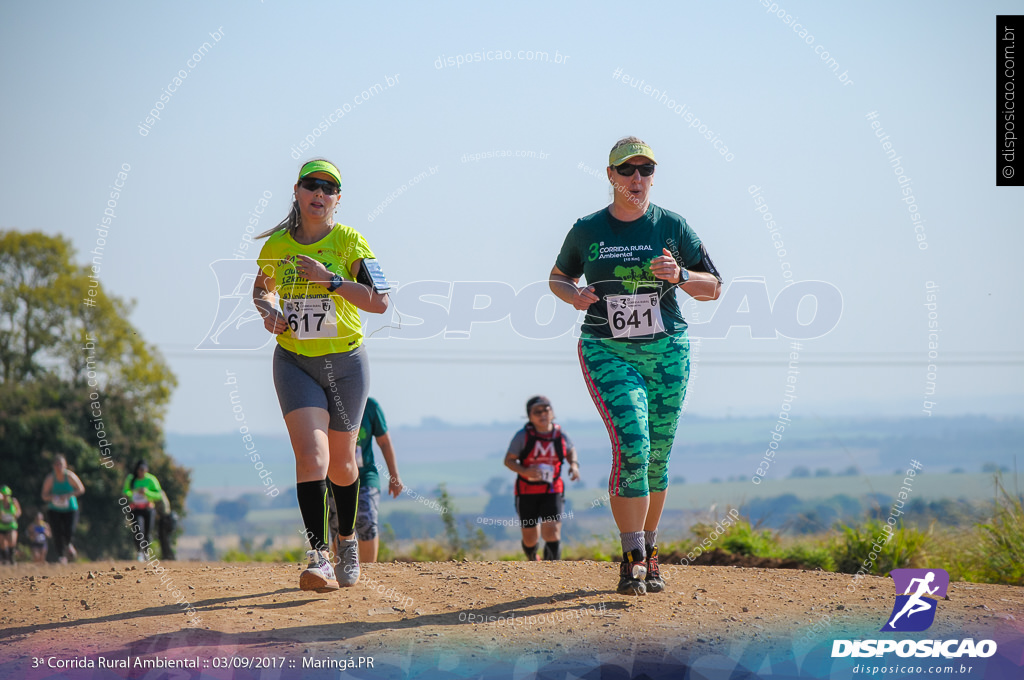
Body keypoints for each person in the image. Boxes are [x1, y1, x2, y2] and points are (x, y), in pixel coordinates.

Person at [548, 137, 722, 595]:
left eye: (645, 171)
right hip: (609, 350)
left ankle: (650, 547)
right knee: (633, 444)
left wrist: (681, 275)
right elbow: (558, 276)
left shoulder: (672, 226)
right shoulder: (587, 229)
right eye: (627, 171)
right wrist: (573, 295)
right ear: (610, 176)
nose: (637, 179)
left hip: (667, 352)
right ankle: (632, 557)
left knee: (657, 456)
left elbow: (714, 286)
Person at [254, 158, 390, 592]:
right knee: (312, 459)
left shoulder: (350, 241)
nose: (320, 193)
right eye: (312, 185)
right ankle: (320, 555)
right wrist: (266, 311)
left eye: (329, 188)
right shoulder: (276, 245)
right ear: (296, 191)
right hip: (294, 361)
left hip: (346, 363)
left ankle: (347, 541)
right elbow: (260, 288)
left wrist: (330, 280)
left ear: (337, 199)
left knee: (344, 464)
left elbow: (380, 302)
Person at [503, 396, 579, 561]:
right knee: (530, 537)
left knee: (552, 531)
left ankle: (552, 570)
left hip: (553, 490)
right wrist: (524, 471)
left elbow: (570, 450)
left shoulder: (561, 434)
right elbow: (508, 460)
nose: (543, 414)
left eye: (546, 409)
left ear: (552, 413)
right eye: (537, 412)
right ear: (530, 417)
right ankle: (532, 558)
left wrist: (574, 465)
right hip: (526, 492)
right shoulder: (522, 436)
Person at [329, 397, 403, 564]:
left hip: (366, 476)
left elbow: (384, 442)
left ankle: (369, 569)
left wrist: (394, 475)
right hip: (335, 476)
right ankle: (345, 569)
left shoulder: (371, 406)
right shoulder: (326, 404)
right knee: (338, 526)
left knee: (367, 519)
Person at [40, 453, 85, 564]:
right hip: (54, 509)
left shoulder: (69, 476)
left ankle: (69, 544)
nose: (59, 467)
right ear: (53, 466)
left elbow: (81, 489)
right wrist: (53, 497)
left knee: (69, 530)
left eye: (61, 464)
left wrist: (68, 495)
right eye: (56, 464)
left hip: (70, 508)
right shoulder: (50, 478)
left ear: (65, 465)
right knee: (57, 532)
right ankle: (61, 555)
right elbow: (44, 495)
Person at [123, 461, 164, 561]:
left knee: (147, 531)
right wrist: (133, 492)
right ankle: (139, 552)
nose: (141, 473)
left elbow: (159, 495)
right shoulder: (131, 479)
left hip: (148, 508)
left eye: (143, 470)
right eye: (139, 470)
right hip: (135, 508)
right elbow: (125, 491)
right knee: (138, 530)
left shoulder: (151, 479)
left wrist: (147, 492)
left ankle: (146, 552)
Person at [0, 485, 22, 565]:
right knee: (2, 542)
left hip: (11, 525)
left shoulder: (13, 501)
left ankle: (11, 557)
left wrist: (15, 515)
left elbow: (19, 511)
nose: (6, 497)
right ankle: (4, 558)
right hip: (2, 525)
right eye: (4, 495)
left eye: (7, 495)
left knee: (12, 540)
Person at [157, 490, 178, 560]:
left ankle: (168, 556)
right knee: (165, 539)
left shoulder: (157, 493)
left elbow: (163, 509)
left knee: (164, 538)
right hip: (167, 518)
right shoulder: (161, 493)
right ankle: (167, 555)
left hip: (165, 518)